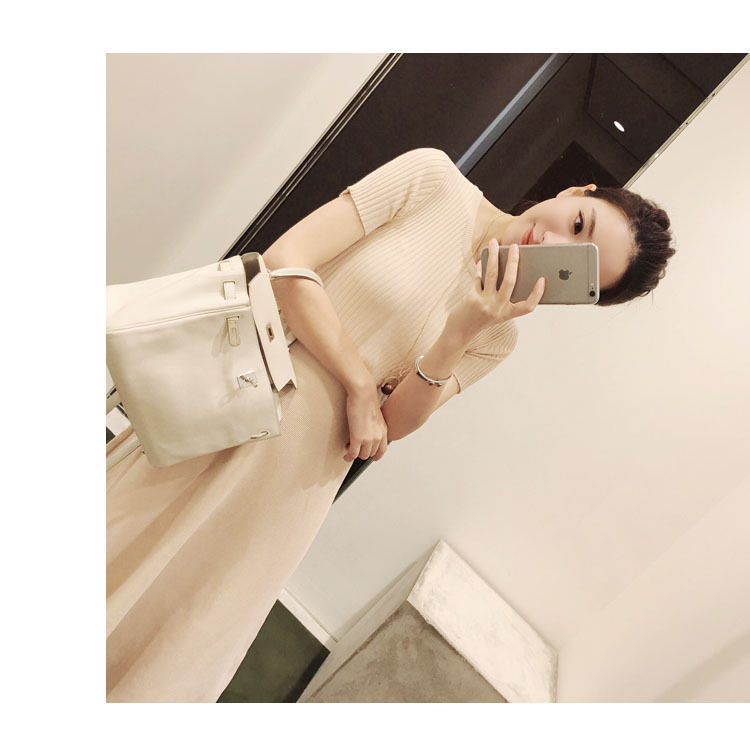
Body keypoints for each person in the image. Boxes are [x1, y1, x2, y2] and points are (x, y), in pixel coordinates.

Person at [105, 147, 674, 701]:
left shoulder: (497, 336)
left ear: (576, 291)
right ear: (575, 192)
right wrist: (358, 383)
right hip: (225, 412)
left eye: (575, 259)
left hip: (294, 486)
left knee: (181, 638)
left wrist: (462, 329)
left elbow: (393, 424)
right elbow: (286, 261)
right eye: (577, 222)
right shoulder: (433, 179)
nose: (551, 242)